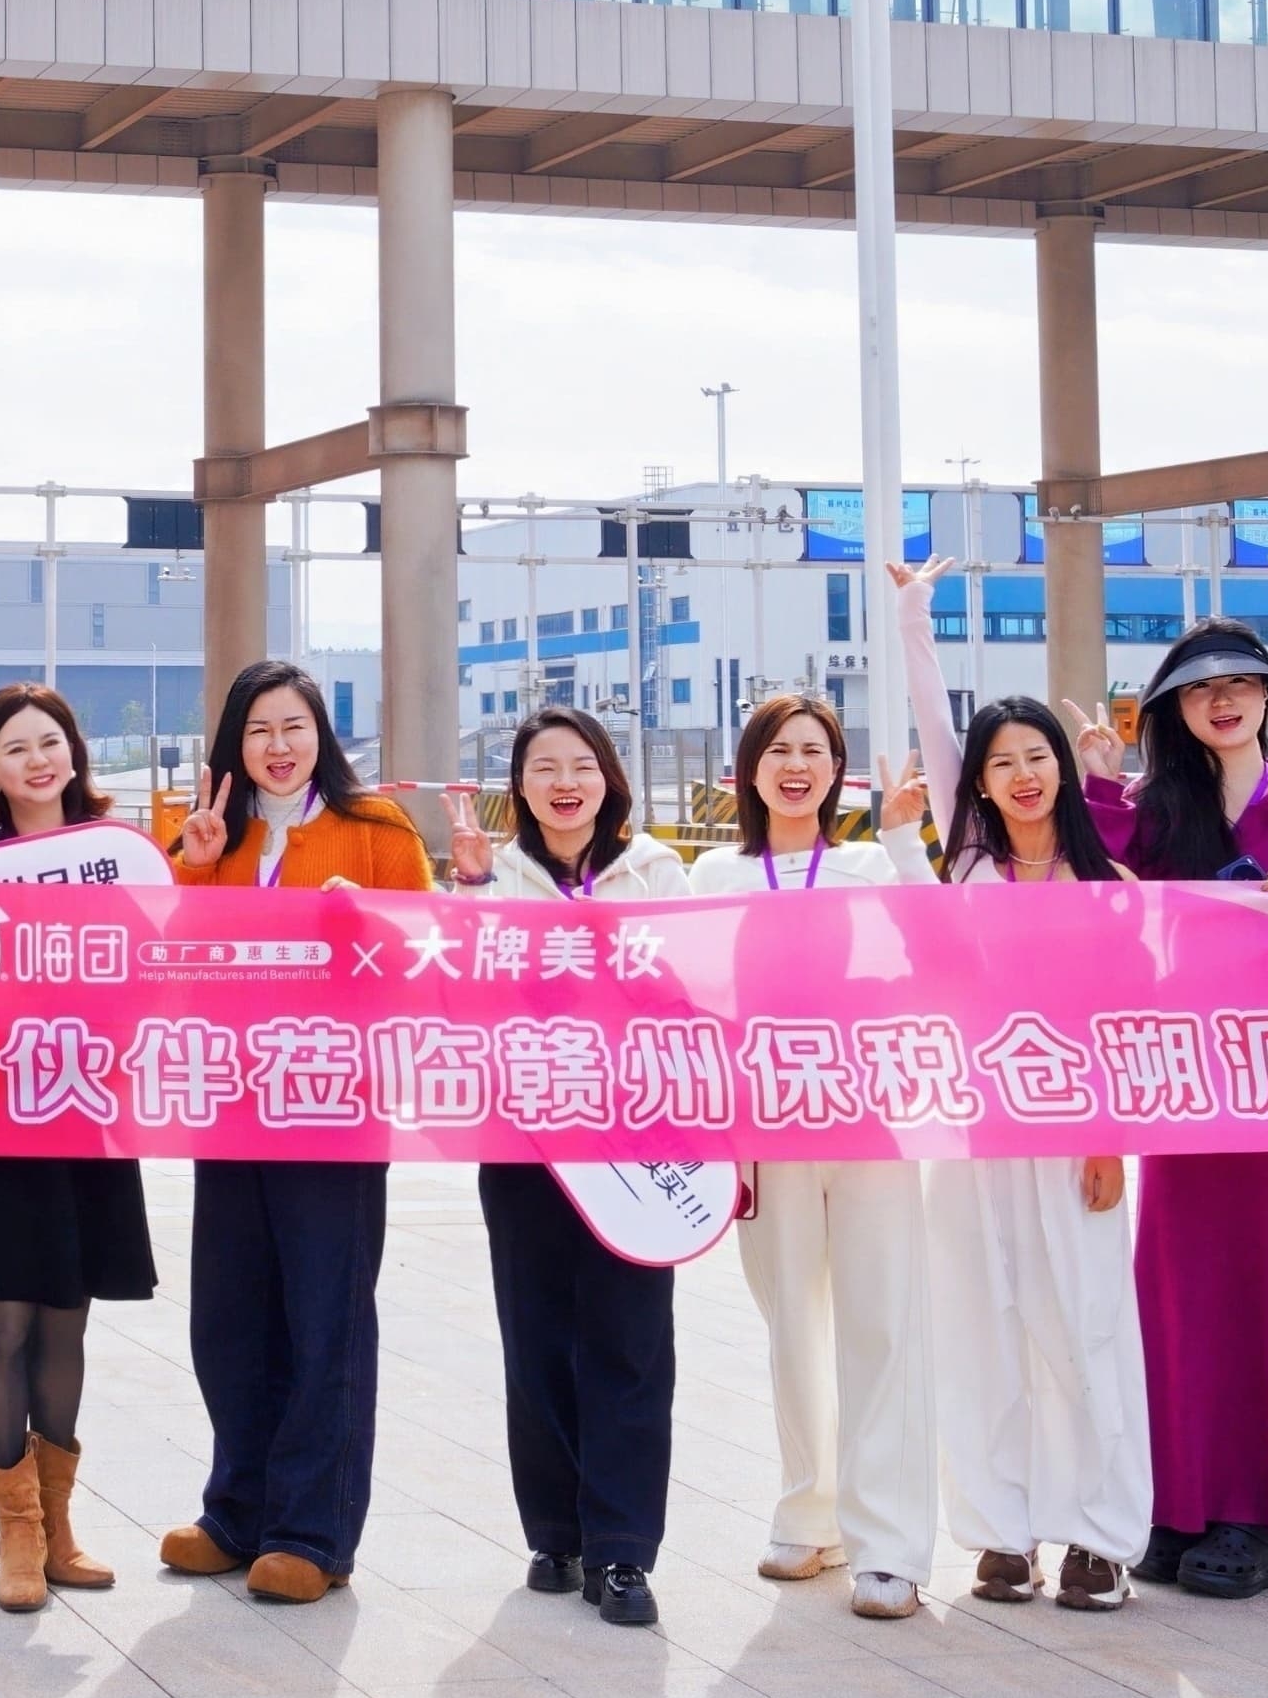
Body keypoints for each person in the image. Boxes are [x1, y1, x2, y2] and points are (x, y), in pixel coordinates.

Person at [1069, 618, 1268, 1601]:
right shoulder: (1155, 808)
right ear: (1174, 709)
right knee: (1182, 1294)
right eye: (1202, 689)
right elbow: (1092, 897)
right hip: (1190, 1089)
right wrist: (1097, 781)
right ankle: (1182, 1500)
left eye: (1242, 684)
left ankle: (1253, 1514)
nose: (1224, 700)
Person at [159, 659, 435, 1605]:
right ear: (233, 745)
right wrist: (193, 865)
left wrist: (368, 931)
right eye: (259, 731)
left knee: (325, 1319)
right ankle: (236, 1511)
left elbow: (422, 961)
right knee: (229, 1317)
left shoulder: (377, 831)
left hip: (333, 1109)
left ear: (322, 735)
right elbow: (156, 955)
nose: (278, 748)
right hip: (232, 1102)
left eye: (295, 727)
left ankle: (313, 1532)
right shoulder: (204, 832)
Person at [689, 682, 937, 1618]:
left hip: (869, 1121)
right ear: (748, 771)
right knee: (791, 1324)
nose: (795, 767)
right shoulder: (711, 880)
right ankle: (809, 1513)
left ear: (837, 770)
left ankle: (890, 1544)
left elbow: (943, 945)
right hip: (762, 1132)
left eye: (813, 751)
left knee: (881, 1322)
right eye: (778, 750)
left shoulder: (869, 865)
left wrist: (906, 840)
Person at [445, 705, 693, 1628]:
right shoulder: (494, 875)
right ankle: (555, 1533)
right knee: (537, 1335)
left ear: (607, 779)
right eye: (543, 767)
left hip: (637, 1144)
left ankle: (622, 1551)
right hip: (526, 1144)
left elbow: (693, 996)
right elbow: (459, 993)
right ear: (519, 786)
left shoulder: (657, 872)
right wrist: (471, 887)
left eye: (581, 765)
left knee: (631, 1344)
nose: (564, 783)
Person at [0, 682, 157, 1613]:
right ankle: (13, 1531)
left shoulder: (113, 853)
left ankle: (57, 1527)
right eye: (15, 748)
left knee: (67, 1317)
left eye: (49, 742)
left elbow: (153, 966)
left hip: (82, 1103)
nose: (37, 760)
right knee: (4, 1321)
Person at [924, 688, 1147, 1613]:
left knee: (1086, 1328)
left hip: (1075, 1142)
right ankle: (1000, 1532)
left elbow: (1128, 1022)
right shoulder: (963, 880)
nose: (1023, 775)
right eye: (1001, 761)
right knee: (982, 1327)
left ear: (1062, 766)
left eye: (1036, 756)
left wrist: (1109, 1139)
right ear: (978, 780)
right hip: (976, 1140)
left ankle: (1101, 1537)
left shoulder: (1108, 883)